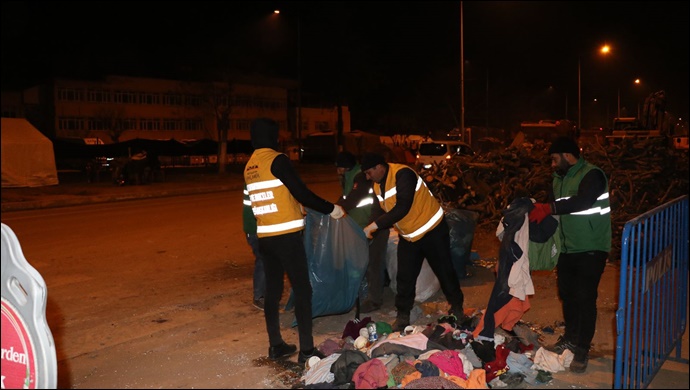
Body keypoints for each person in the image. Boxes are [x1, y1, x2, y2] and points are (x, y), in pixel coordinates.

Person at [244, 118, 345, 364]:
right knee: (302, 290)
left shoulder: (249, 166)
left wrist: (295, 205)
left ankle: (276, 345)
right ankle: (307, 351)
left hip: (266, 237)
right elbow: (300, 190)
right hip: (287, 237)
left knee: (273, 291)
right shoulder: (276, 160)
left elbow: (275, 196)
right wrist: (330, 208)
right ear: (273, 136)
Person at [359, 152, 468, 332]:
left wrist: (376, 226)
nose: (367, 176)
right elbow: (379, 210)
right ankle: (403, 316)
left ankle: (457, 307)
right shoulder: (378, 185)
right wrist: (369, 226)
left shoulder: (403, 174)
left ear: (379, 167)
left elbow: (403, 206)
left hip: (432, 230)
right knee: (405, 277)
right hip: (409, 236)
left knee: (444, 271)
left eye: (369, 172)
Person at [529, 136, 612, 374]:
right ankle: (570, 337)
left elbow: (583, 201)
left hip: (591, 247)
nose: (553, 165)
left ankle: (582, 349)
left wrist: (549, 208)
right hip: (567, 247)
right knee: (567, 294)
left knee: (585, 297)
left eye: (555, 159)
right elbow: (559, 209)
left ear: (567, 155)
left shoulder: (592, 175)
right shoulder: (560, 179)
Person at [334, 151, 390, 313]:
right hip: (365, 224)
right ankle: (373, 292)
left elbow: (354, 198)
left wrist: (332, 209)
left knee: (374, 262)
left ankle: (375, 300)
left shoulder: (360, 177)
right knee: (370, 262)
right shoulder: (357, 176)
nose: (367, 176)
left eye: (339, 167)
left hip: (372, 224)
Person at [243, 184, 265, 311]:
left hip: (255, 228)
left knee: (266, 260)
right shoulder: (259, 178)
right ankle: (259, 296)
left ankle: (264, 295)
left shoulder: (254, 175)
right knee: (263, 260)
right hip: (257, 228)